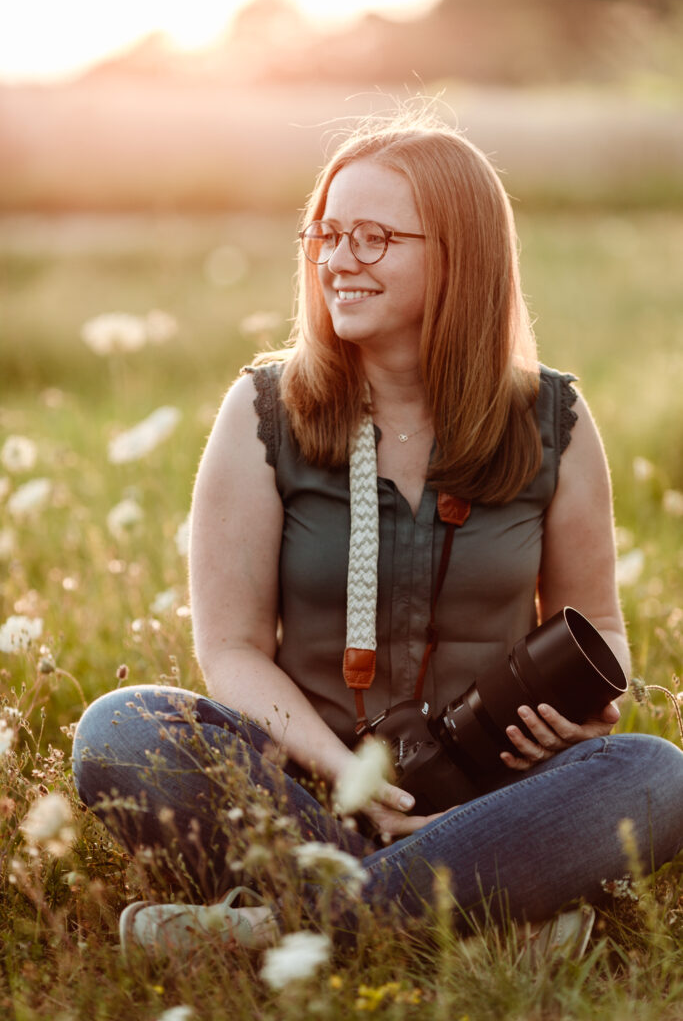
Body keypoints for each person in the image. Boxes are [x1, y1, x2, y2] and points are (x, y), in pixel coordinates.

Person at [72, 108, 683, 960]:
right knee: (122, 729)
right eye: (324, 233)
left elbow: (598, 624)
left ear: (459, 256)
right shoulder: (263, 411)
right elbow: (233, 647)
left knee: (654, 774)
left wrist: (585, 716)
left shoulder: (553, 420)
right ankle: (474, 930)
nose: (335, 260)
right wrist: (342, 775)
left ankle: (286, 930)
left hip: (497, 797)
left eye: (372, 237)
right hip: (306, 788)